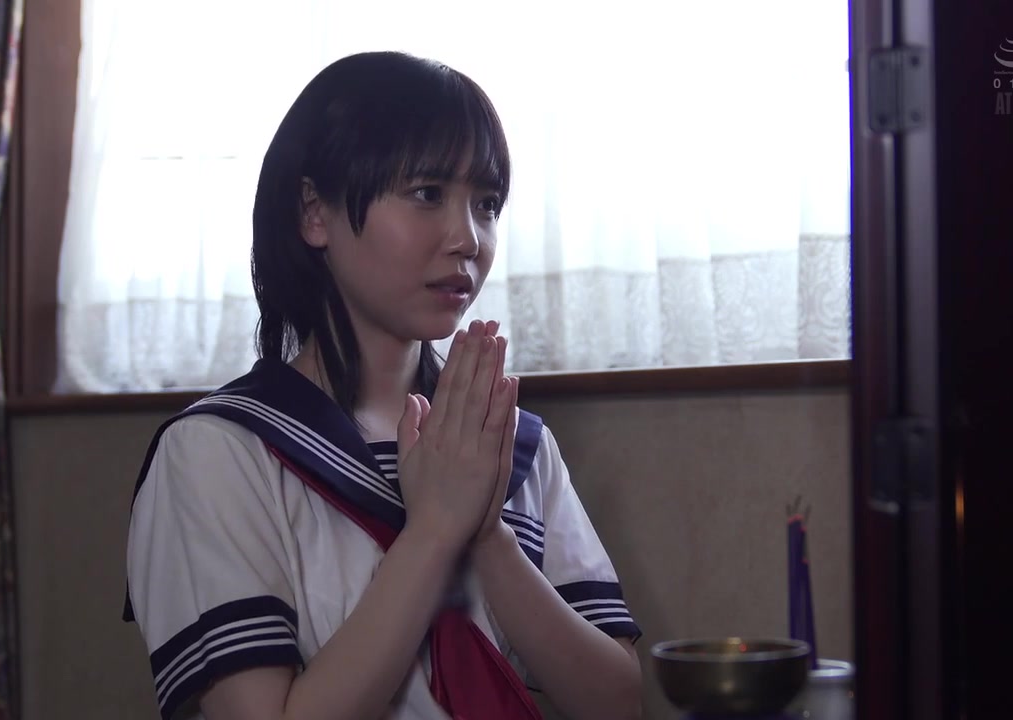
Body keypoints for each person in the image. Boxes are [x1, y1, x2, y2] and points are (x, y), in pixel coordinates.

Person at [123, 51, 643, 720]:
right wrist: (434, 532)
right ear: (314, 212)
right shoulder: (218, 452)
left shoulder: (508, 445)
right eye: (427, 193)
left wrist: (489, 536)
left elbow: (617, 705)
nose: (468, 238)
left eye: (486, 204)